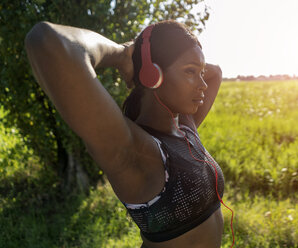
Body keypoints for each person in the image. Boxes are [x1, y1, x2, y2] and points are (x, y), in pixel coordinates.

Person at [25, 20, 227, 248]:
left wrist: (167, 61)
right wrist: (123, 54)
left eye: (200, 72)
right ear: (154, 75)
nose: (202, 83)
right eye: (191, 71)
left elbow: (215, 74)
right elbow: (47, 41)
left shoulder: (185, 129)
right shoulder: (136, 152)